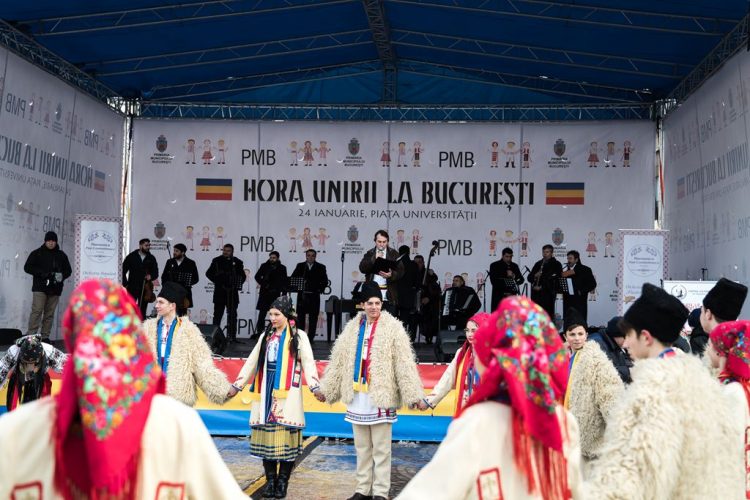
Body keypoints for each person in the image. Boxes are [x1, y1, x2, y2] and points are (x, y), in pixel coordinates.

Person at [0, 279, 246, 499]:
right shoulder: (179, 426)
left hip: (172, 397)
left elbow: (202, 364)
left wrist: (222, 388)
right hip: (158, 409)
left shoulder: (17, 430)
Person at [398, 296, 582, 500]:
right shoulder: (563, 421)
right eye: (468, 331)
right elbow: (576, 490)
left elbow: (432, 490)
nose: (470, 335)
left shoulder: (477, 422)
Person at [583, 283, 743, 498]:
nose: (626, 343)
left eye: (629, 335)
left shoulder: (653, 392)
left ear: (646, 337)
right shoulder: (698, 378)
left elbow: (635, 477)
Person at [320, 282, 424, 500]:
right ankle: (362, 489)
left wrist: (412, 394)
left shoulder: (393, 328)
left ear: (382, 304)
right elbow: (338, 361)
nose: (374, 307)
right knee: (362, 447)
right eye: (370, 303)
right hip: (358, 395)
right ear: (362, 305)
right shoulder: (352, 328)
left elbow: (404, 363)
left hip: (381, 395)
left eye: (377, 303)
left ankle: (381, 492)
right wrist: (327, 389)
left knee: (382, 449)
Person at [229, 296, 322, 499]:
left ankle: (283, 482)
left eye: (276, 314)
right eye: (270, 314)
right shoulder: (266, 335)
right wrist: (237, 385)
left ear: (287, 315)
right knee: (267, 439)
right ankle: (270, 481)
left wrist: (315, 387)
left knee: (285, 439)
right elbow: (252, 361)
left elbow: (308, 363)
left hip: (287, 392)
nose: (272, 318)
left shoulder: (298, 336)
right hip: (265, 389)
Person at [143, 282, 232, 407]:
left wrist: (222, 391)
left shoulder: (188, 330)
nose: (156, 305)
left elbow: (202, 364)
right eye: (157, 302)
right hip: (152, 393)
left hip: (178, 396)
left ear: (172, 306)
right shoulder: (148, 328)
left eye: (161, 302)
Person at [562, 308, 623, 463]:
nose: (577, 338)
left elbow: (609, 394)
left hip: (588, 438)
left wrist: (619, 431)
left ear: (586, 335)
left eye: (580, 334)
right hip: (568, 429)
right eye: (572, 334)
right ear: (565, 336)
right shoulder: (563, 357)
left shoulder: (595, 358)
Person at [706, 319, 750, 497]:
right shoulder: (740, 385)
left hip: (732, 482)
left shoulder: (733, 391)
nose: (708, 349)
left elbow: (728, 444)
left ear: (721, 351)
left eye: (711, 344)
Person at [419, 312, 489, 416]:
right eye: (467, 330)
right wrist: (429, 401)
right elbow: (448, 378)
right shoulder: (462, 353)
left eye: (474, 330)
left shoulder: (494, 355)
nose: (469, 334)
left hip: (487, 409)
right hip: (465, 407)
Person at [24, 231, 72, 340]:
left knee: (49, 314)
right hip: (40, 287)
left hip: (55, 289)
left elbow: (68, 270)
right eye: (49, 240)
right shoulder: (37, 253)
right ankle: (31, 336)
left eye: (53, 241)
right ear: (45, 241)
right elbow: (27, 267)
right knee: (37, 311)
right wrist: (42, 273)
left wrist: (61, 276)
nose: (51, 243)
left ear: (56, 242)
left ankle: (45, 337)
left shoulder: (61, 255)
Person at [0, 334, 66, 411]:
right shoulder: (13, 351)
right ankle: (12, 415)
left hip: (41, 374)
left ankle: (44, 413)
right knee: (12, 397)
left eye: (33, 362)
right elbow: (1, 372)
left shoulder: (49, 351)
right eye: (27, 362)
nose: (30, 367)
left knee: (45, 396)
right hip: (19, 373)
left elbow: (69, 368)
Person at [206, 243, 246, 342]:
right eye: (224, 250)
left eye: (228, 251)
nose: (225, 252)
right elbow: (208, 273)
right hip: (220, 292)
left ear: (232, 252)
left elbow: (242, 276)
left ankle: (232, 336)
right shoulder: (216, 261)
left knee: (232, 315)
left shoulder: (237, 262)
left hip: (232, 293)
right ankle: (215, 337)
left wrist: (236, 283)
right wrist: (218, 281)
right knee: (217, 315)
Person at [359, 230, 404, 316]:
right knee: (373, 322)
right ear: (375, 241)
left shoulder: (394, 254)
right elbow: (362, 268)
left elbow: (401, 271)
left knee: (388, 322)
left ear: (387, 241)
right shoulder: (370, 253)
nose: (382, 244)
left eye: (384, 242)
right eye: (379, 242)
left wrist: (392, 275)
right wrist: (373, 258)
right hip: (372, 294)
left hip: (389, 295)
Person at [290, 249, 328, 343]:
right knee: (300, 318)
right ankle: (301, 338)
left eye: (312, 255)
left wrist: (319, 289)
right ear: (306, 256)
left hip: (314, 296)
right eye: (308, 255)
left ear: (315, 257)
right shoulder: (300, 266)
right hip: (302, 296)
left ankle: (310, 339)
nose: (310, 257)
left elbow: (325, 281)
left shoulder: (321, 267)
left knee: (313, 318)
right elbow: (293, 278)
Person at [587, 316, 633, 383]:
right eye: (626, 337)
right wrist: (629, 371)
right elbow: (603, 373)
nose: (628, 342)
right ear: (617, 335)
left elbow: (624, 361)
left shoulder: (613, 342)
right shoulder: (597, 344)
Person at [122, 238, 159, 318]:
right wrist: (125, 284)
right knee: (130, 307)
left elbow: (156, 273)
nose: (148, 247)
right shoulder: (131, 256)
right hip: (132, 286)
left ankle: (141, 322)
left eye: (149, 245)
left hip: (145, 287)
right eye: (146, 245)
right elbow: (123, 270)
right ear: (140, 246)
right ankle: (130, 323)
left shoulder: (151, 258)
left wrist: (151, 276)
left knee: (142, 309)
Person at [255, 251, 289, 337]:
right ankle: (259, 332)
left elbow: (284, 281)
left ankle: (275, 332)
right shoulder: (264, 266)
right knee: (262, 314)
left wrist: (283, 294)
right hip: (264, 293)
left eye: (274, 258)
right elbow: (257, 276)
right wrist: (264, 284)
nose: (272, 259)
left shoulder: (282, 268)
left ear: (277, 258)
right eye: (271, 257)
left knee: (275, 315)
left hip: (275, 294)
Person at [527, 244, 562, 322]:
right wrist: (535, 275)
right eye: (544, 252)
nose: (545, 254)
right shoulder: (538, 264)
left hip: (548, 295)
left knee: (547, 317)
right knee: (535, 317)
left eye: (547, 252)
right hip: (536, 295)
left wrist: (542, 287)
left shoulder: (556, 264)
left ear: (552, 253)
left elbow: (556, 279)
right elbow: (529, 278)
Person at [161, 242, 199, 312]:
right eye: (174, 251)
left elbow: (196, 278)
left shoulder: (191, 263)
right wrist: (166, 288)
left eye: (177, 251)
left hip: (184, 293)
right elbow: (164, 276)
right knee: (170, 313)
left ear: (183, 252)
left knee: (182, 314)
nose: (174, 253)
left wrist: (187, 283)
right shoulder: (170, 262)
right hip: (171, 293)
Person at [561, 250, 596, 324]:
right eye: (568, 258)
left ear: (576, 259)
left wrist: (581, 291)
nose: (568, 260)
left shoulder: (585, 269)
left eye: (570, 258)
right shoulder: (564, 271)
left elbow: (592, 284)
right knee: (568, 322)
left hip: (579, 302)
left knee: (580, 322)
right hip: (567, 303)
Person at [414, 254, 441, 344]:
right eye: (415, 263)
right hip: (414, 300)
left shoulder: (428, 273)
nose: (418, 264)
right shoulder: (411, 272)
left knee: (429, 313)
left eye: (420, 262)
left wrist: (428, 298)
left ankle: (428, 336)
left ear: (423, 263)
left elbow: (435, 288)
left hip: (427, 302)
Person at [395, 245, 420, 339]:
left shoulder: (396, 263)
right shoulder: (413, 265)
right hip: (408, 296)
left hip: (396, 295)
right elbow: (417, 282)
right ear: (409, 253)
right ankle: (404, 339)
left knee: (394, 318)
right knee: (404, 319)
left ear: (399, 252)